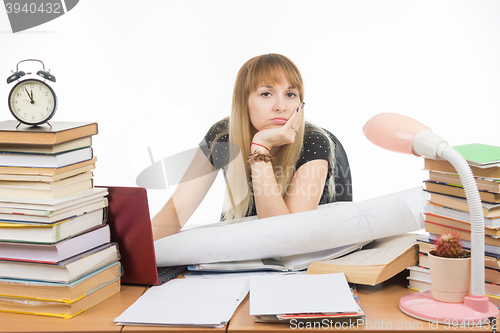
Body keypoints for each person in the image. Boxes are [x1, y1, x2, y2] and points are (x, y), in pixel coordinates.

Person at [152, 53, 349, 240]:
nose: (281, 106)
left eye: (290, 94)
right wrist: (128, 252)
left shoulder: (314, 142)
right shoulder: (224, 135)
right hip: (243, 253)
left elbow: (286, 238)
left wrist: (260, 147)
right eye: (266, 93)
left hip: (300, 263)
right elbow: (175, 212)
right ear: (243, 100)